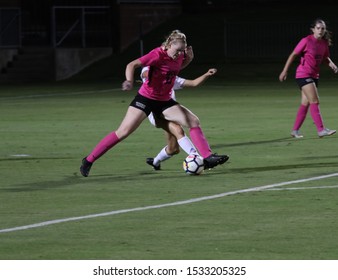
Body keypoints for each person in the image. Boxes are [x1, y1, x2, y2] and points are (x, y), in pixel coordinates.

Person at [80, 30, 228, 177]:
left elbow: (175, 68)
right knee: (123, 132)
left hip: (164, 102)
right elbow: (131, 65)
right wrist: (129, 81)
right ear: (170, 44)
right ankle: (88, 160)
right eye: (177, 50)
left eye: (182, 51)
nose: (179, 54)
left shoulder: (180, 54)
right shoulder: (157, 54)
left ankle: (208, 158)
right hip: (146, 100)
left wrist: (188, 59)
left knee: (193, 121)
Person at [140, 66, 221, 170]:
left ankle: (155, 162)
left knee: (173, 149)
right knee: (180, 129)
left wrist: (206, 74)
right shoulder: (150, 67)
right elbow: (145, 74)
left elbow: (193, 83)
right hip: (155, 113)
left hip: (170, 111)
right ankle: (197, 157)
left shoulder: (171, 77)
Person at [279, 18, 337, 138]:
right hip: (303, 74)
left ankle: (295, 130)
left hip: (314, 75)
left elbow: (326, 57)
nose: (320, 30)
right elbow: (293, 55)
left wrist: (331, 64)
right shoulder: (306, 40)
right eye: (318, 28)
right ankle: (321, 130)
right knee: (315, 101)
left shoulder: (324, 43)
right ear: (313, 29)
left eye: (323, 28)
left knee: (305, 103)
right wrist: (285, 70)